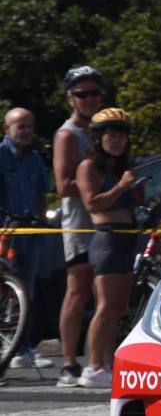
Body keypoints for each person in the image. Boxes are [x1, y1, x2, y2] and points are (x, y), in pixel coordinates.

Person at [74, 108, 144, 389]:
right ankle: (92, 367)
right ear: (99, 138)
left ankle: (107, 363)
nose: (117, 141)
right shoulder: (88, 166)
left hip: (127, 237)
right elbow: (92, 203)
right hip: (107, 238)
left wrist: (134, 193)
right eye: (111, 135)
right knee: (104, 306)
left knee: (118, 307)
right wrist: (121, 187)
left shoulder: (121, 169)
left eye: (121, 136)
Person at [52, 65, 107, 386]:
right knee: (78, 289)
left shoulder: (102, 129)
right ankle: (69, 362)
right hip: (80, 221)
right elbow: (62, 185)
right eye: (82, 94)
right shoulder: (66, 134)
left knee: (104, 290)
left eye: (94, 93)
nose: (89, 99)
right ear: (70, 98)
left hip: (104, 219)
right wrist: (98, 180)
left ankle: (97, 359)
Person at [1, 108, 52, 367]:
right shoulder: (0, 155)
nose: (27, 131)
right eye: (21, 126)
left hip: (29, 234)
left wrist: (42, 218)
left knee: (25, 292)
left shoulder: (34, 158)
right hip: (4, 233)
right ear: (6, 128)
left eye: (30, 126)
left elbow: (43, 193)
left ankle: (21, 350)